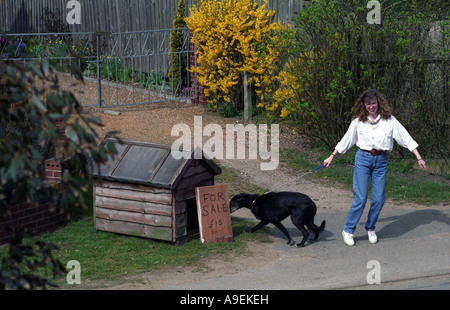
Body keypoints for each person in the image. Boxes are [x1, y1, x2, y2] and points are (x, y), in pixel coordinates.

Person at [323, 90, 427, 246]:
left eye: (373, 103)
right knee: (361, 198)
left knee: (378, 199)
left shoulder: (390, 120)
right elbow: (346, 140)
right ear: (364, 106)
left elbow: (405, 138)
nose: (371, 106)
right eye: (368, 104)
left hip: (381, 161)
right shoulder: (358, 121)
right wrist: (332, 156)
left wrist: (418, 156)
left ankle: (370, 227)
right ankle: (348, 230)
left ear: (379, 103)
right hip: (363, 160)